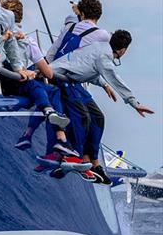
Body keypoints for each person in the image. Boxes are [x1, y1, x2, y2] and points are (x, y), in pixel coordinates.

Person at [50, 30, 154, 183]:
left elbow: (87, 68)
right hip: (57, 79)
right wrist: (134, 103)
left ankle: (93, 162)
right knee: (83, 116)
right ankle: (73, 156)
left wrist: (104, 84)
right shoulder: (104, 56)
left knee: (98, 117)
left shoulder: (101, 47)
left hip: (72, 81)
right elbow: (116, 79)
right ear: (123, 50)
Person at [0, 0, 76, 161]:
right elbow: (48, 72)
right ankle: (54, 132)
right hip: (13, 81)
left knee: (51, 90)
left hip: (11, 81)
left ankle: (43, 137)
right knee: (44, 88)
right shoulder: (27, 40)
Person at [46, 0, 110, 62]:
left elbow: (51, 54)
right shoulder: (103, 35)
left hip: (56, 68)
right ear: (99, 15)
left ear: (82, 14)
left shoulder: (69, 27)